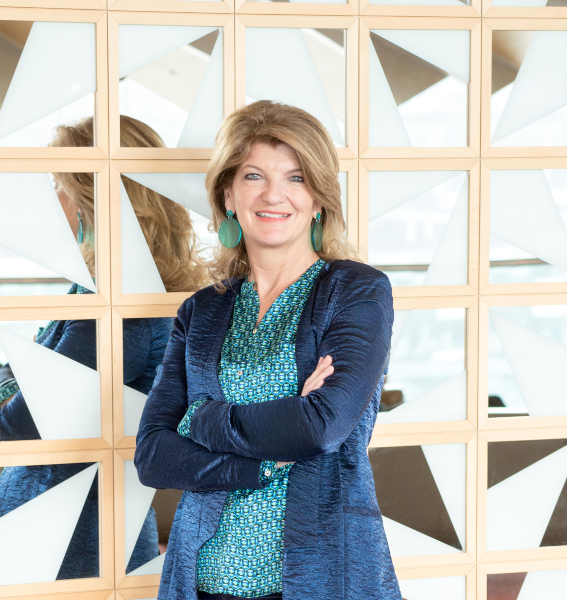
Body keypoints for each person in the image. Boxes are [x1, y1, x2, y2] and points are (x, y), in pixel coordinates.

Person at [135, 101, 401, 600]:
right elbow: (152, 455)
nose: (274, 194)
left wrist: (203, 420)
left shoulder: (357, 293)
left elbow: (322, 427)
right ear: (229, 195)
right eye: (254, 175)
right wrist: (265, 461)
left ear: (319, 198)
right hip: (200, 580)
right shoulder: (201, 311)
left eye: (296, 177)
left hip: (319, 578)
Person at [0, 115, 209, 579]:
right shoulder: (100, 292)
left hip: (73, 545)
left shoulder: (122, 306)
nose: (54, 200)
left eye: (60, 185)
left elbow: (19, 423)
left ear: (97, 199)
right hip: (61, 533)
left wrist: (3, 379)